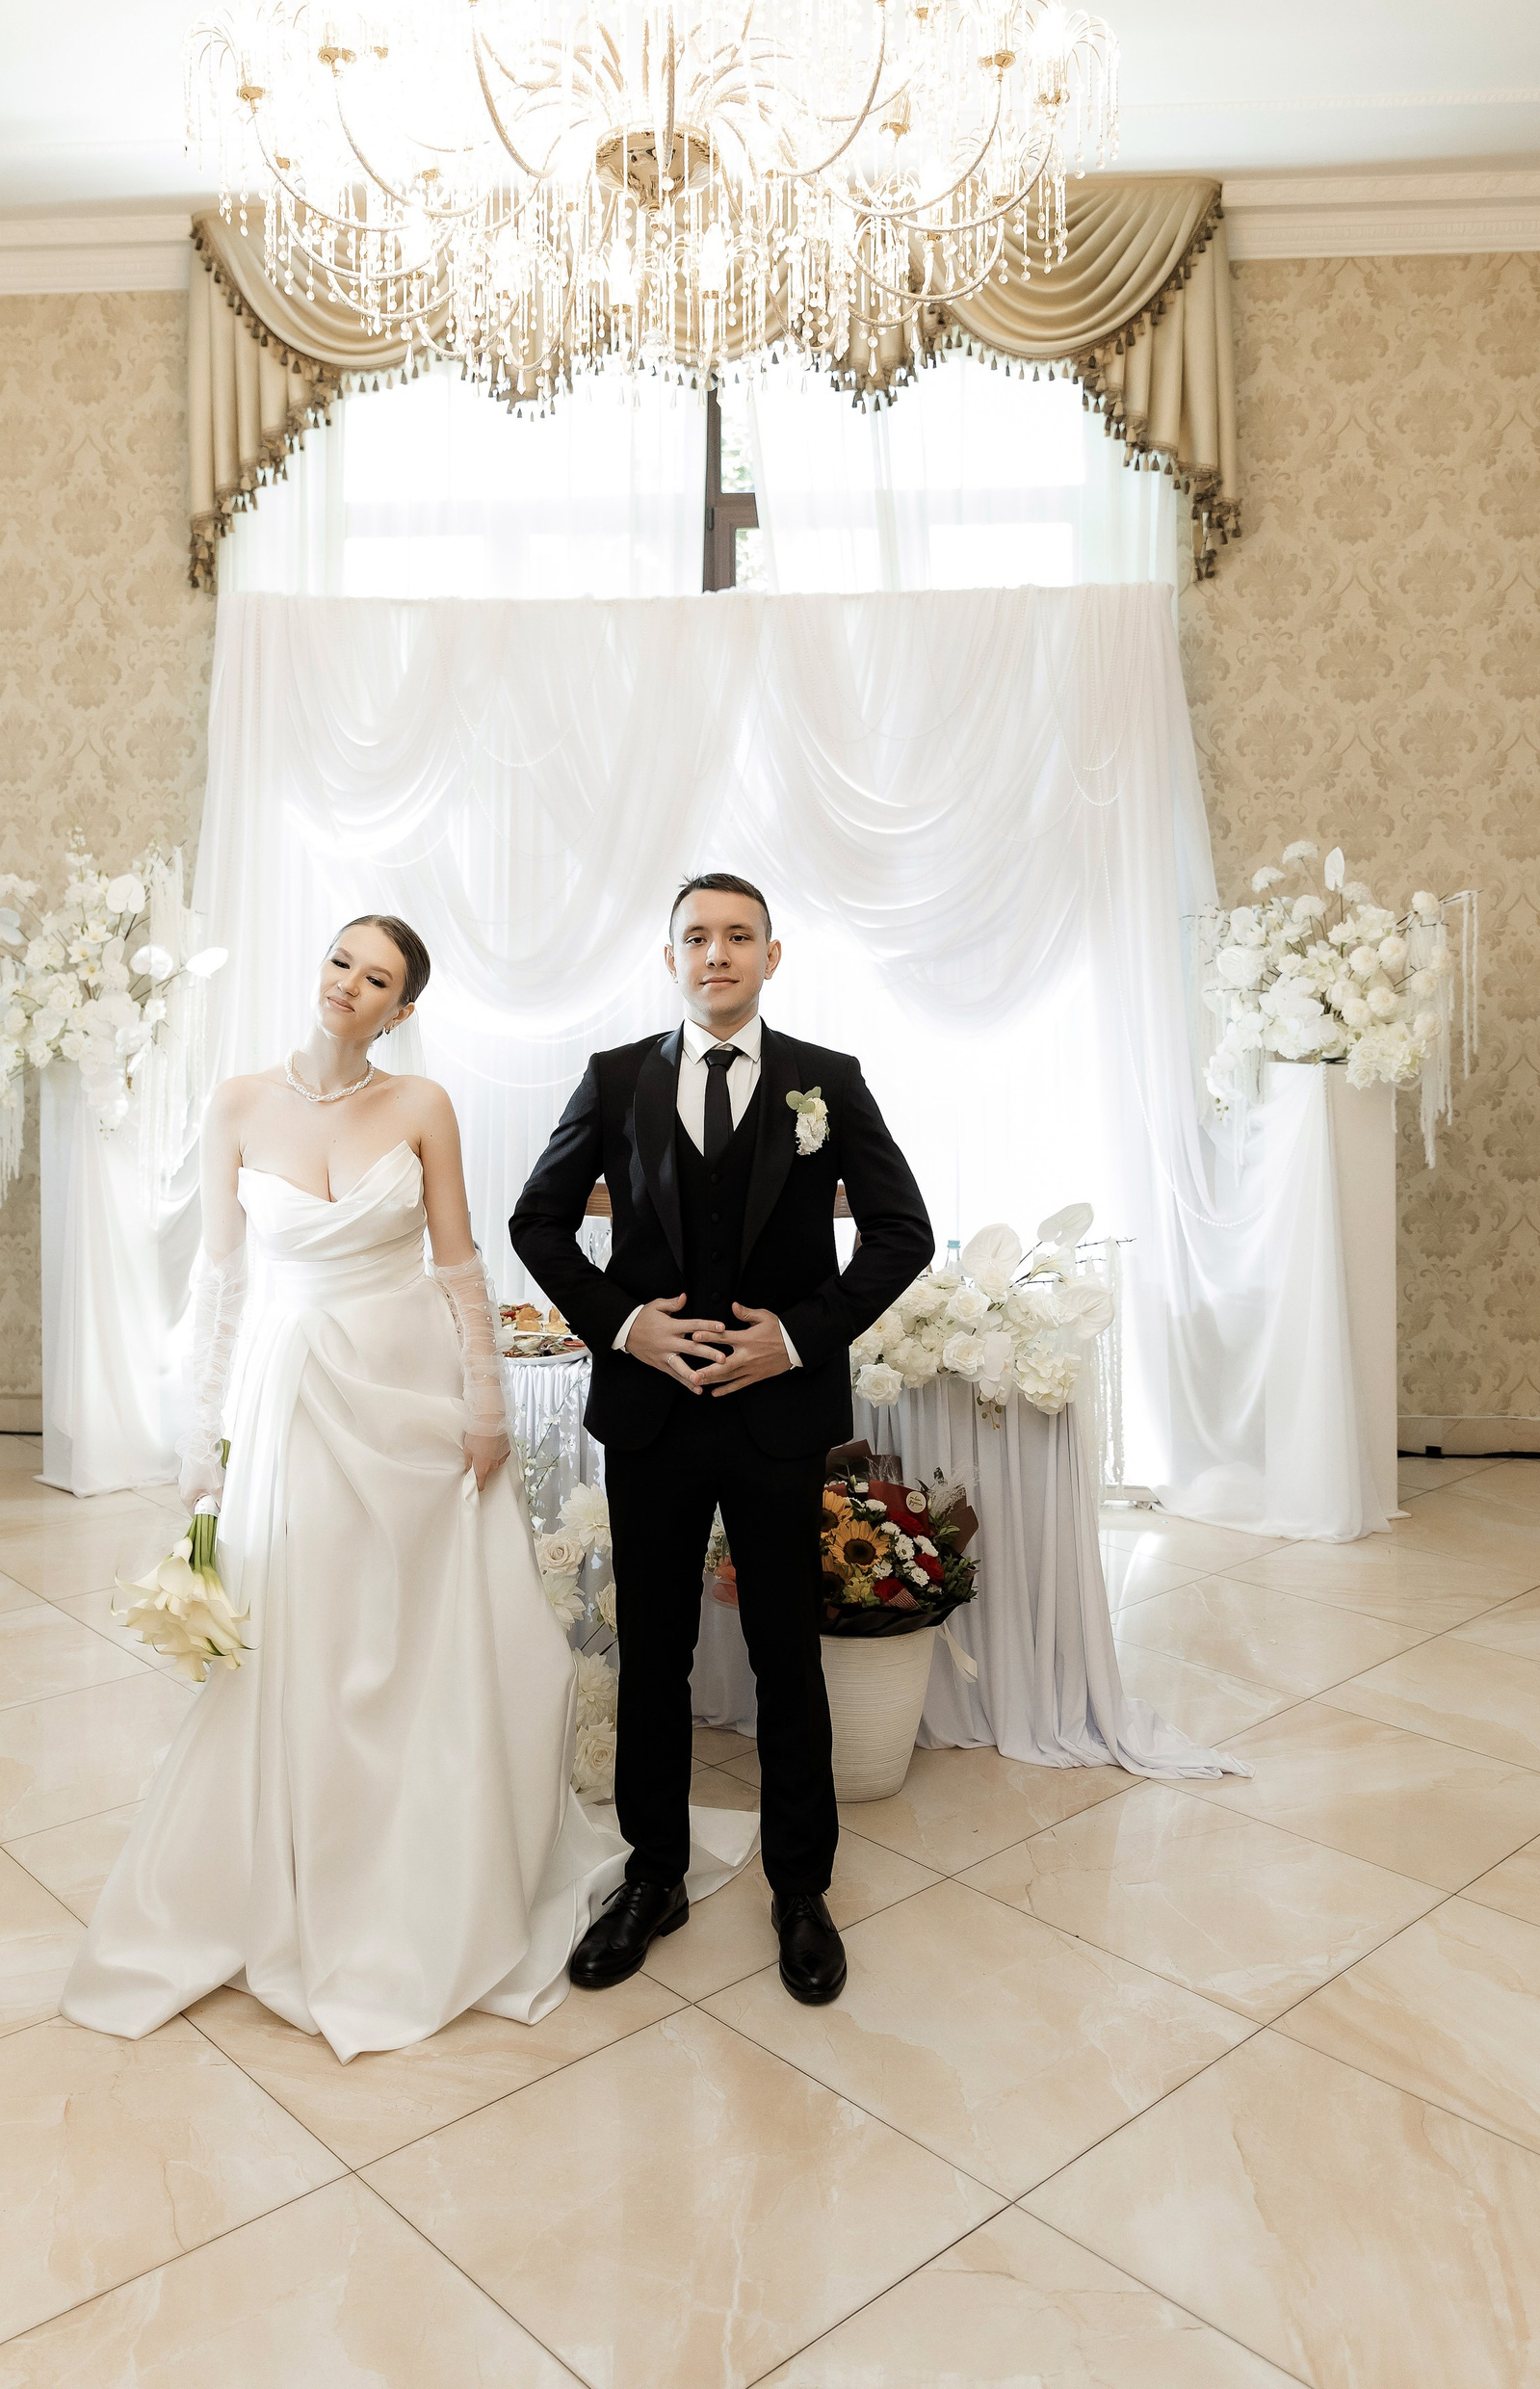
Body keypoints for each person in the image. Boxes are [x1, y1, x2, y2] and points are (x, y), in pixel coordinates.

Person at [63, 916, 627, 2058]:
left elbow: (459, 1264)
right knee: (311, 1626)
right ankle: (305, 1866)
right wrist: (202, 1444)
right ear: (318, 968)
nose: (349, 987)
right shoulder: (237, 1103)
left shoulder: (423, 1108)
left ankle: (421, 1866)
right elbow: (222, 1282)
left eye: (377, 980)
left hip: (411, 1389)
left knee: (412, 1630)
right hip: (294, 1395)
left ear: (400, 1010)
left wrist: (485, 1406)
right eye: (340, 963)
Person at [510, 873, 933, 2006]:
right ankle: (654, 1876)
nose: (717, 953)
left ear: (771, 956)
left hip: (777, 1418)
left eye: (739, 935)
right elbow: (536, 1220)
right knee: (653, 1651)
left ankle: (801, 1888)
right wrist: (625, 1324)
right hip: (650, 1415)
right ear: (671, 959)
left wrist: (796, 1338)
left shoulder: (827, 1080)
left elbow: (902, 1231)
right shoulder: (614, 1080)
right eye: (696, 936)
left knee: (786, 1650)